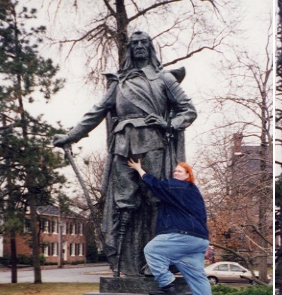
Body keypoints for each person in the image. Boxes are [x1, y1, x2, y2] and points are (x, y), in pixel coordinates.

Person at [53, 30, 197, 277]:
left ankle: (155, 261)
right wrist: (71, 136)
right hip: (122, 146)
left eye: (144, 42)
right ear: (129, 49)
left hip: (152, 143)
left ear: (150, 48)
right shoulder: (119, 83)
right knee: (124, 204)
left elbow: (188, 110)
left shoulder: (164, 79)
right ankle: (121, 261)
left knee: (155, 201)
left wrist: (169, 125)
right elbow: (96, 111)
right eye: (135, 43)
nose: (139, 46)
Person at [127, 158, 220, 295]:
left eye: (180, 171)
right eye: (175, 170)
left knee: (152, 250)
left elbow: (156, 185)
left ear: (187, 176)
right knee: (197, 277)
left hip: (183, 234)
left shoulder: (179, 186)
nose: (176, 173)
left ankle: (167, 283)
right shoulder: (193, 192)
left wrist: (139, 169)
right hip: (199, 240)